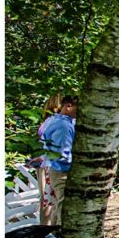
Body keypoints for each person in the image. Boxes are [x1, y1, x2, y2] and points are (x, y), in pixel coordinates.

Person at [36, 95, 78, 225]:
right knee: (63, 210)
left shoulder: (56, 121)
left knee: (55, 207)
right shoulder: (63, 125)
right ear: (68, 106)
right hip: (62, 171)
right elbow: (62, 153)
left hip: (54, 168)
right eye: (78, 108)